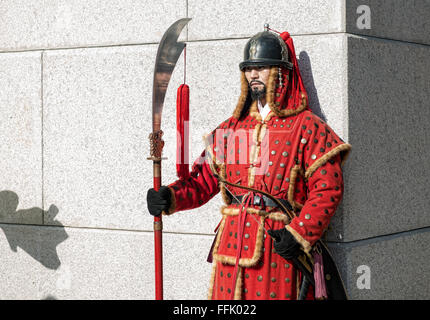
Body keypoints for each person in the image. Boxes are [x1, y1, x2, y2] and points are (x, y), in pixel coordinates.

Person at [147, 28, 351, 300]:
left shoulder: (307, 127)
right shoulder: (231, 130)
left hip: (278, 251)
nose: (253, 74)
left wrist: (299, 233)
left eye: (262, 67)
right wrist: (169, 196)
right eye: (249, 68)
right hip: (229, 251)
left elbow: (327, 190)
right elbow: (202, 181)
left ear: (282, 72)